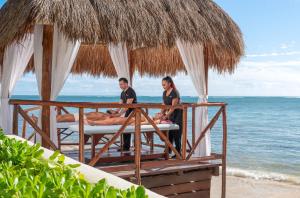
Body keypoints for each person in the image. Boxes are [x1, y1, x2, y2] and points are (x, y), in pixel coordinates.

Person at [109, 77, 137, 151]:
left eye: (121, 84)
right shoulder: (122, 93)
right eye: (119, 84)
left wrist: (119, 114)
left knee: (127, 128)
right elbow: (120, 104)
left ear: (126, 84)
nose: (120, 86)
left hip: (134, 112)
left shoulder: (130, 91)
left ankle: (127, 147)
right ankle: (125, 146)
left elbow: (127, 106)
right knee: (125, 128)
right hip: (128, 112)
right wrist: (116, 111)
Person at [160, 76, 183, 157]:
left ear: (169, 84)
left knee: (177, 134)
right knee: (169, 133)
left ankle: (178, 153)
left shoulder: (175, 92)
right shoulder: (164, 93)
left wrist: (166, 116)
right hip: (170, 115)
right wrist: (161, 114)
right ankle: (168, 150)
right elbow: (164, 105)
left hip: (178, 115)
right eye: (162, 85)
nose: (163, 86)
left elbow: (173, 107)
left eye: (164, 84)